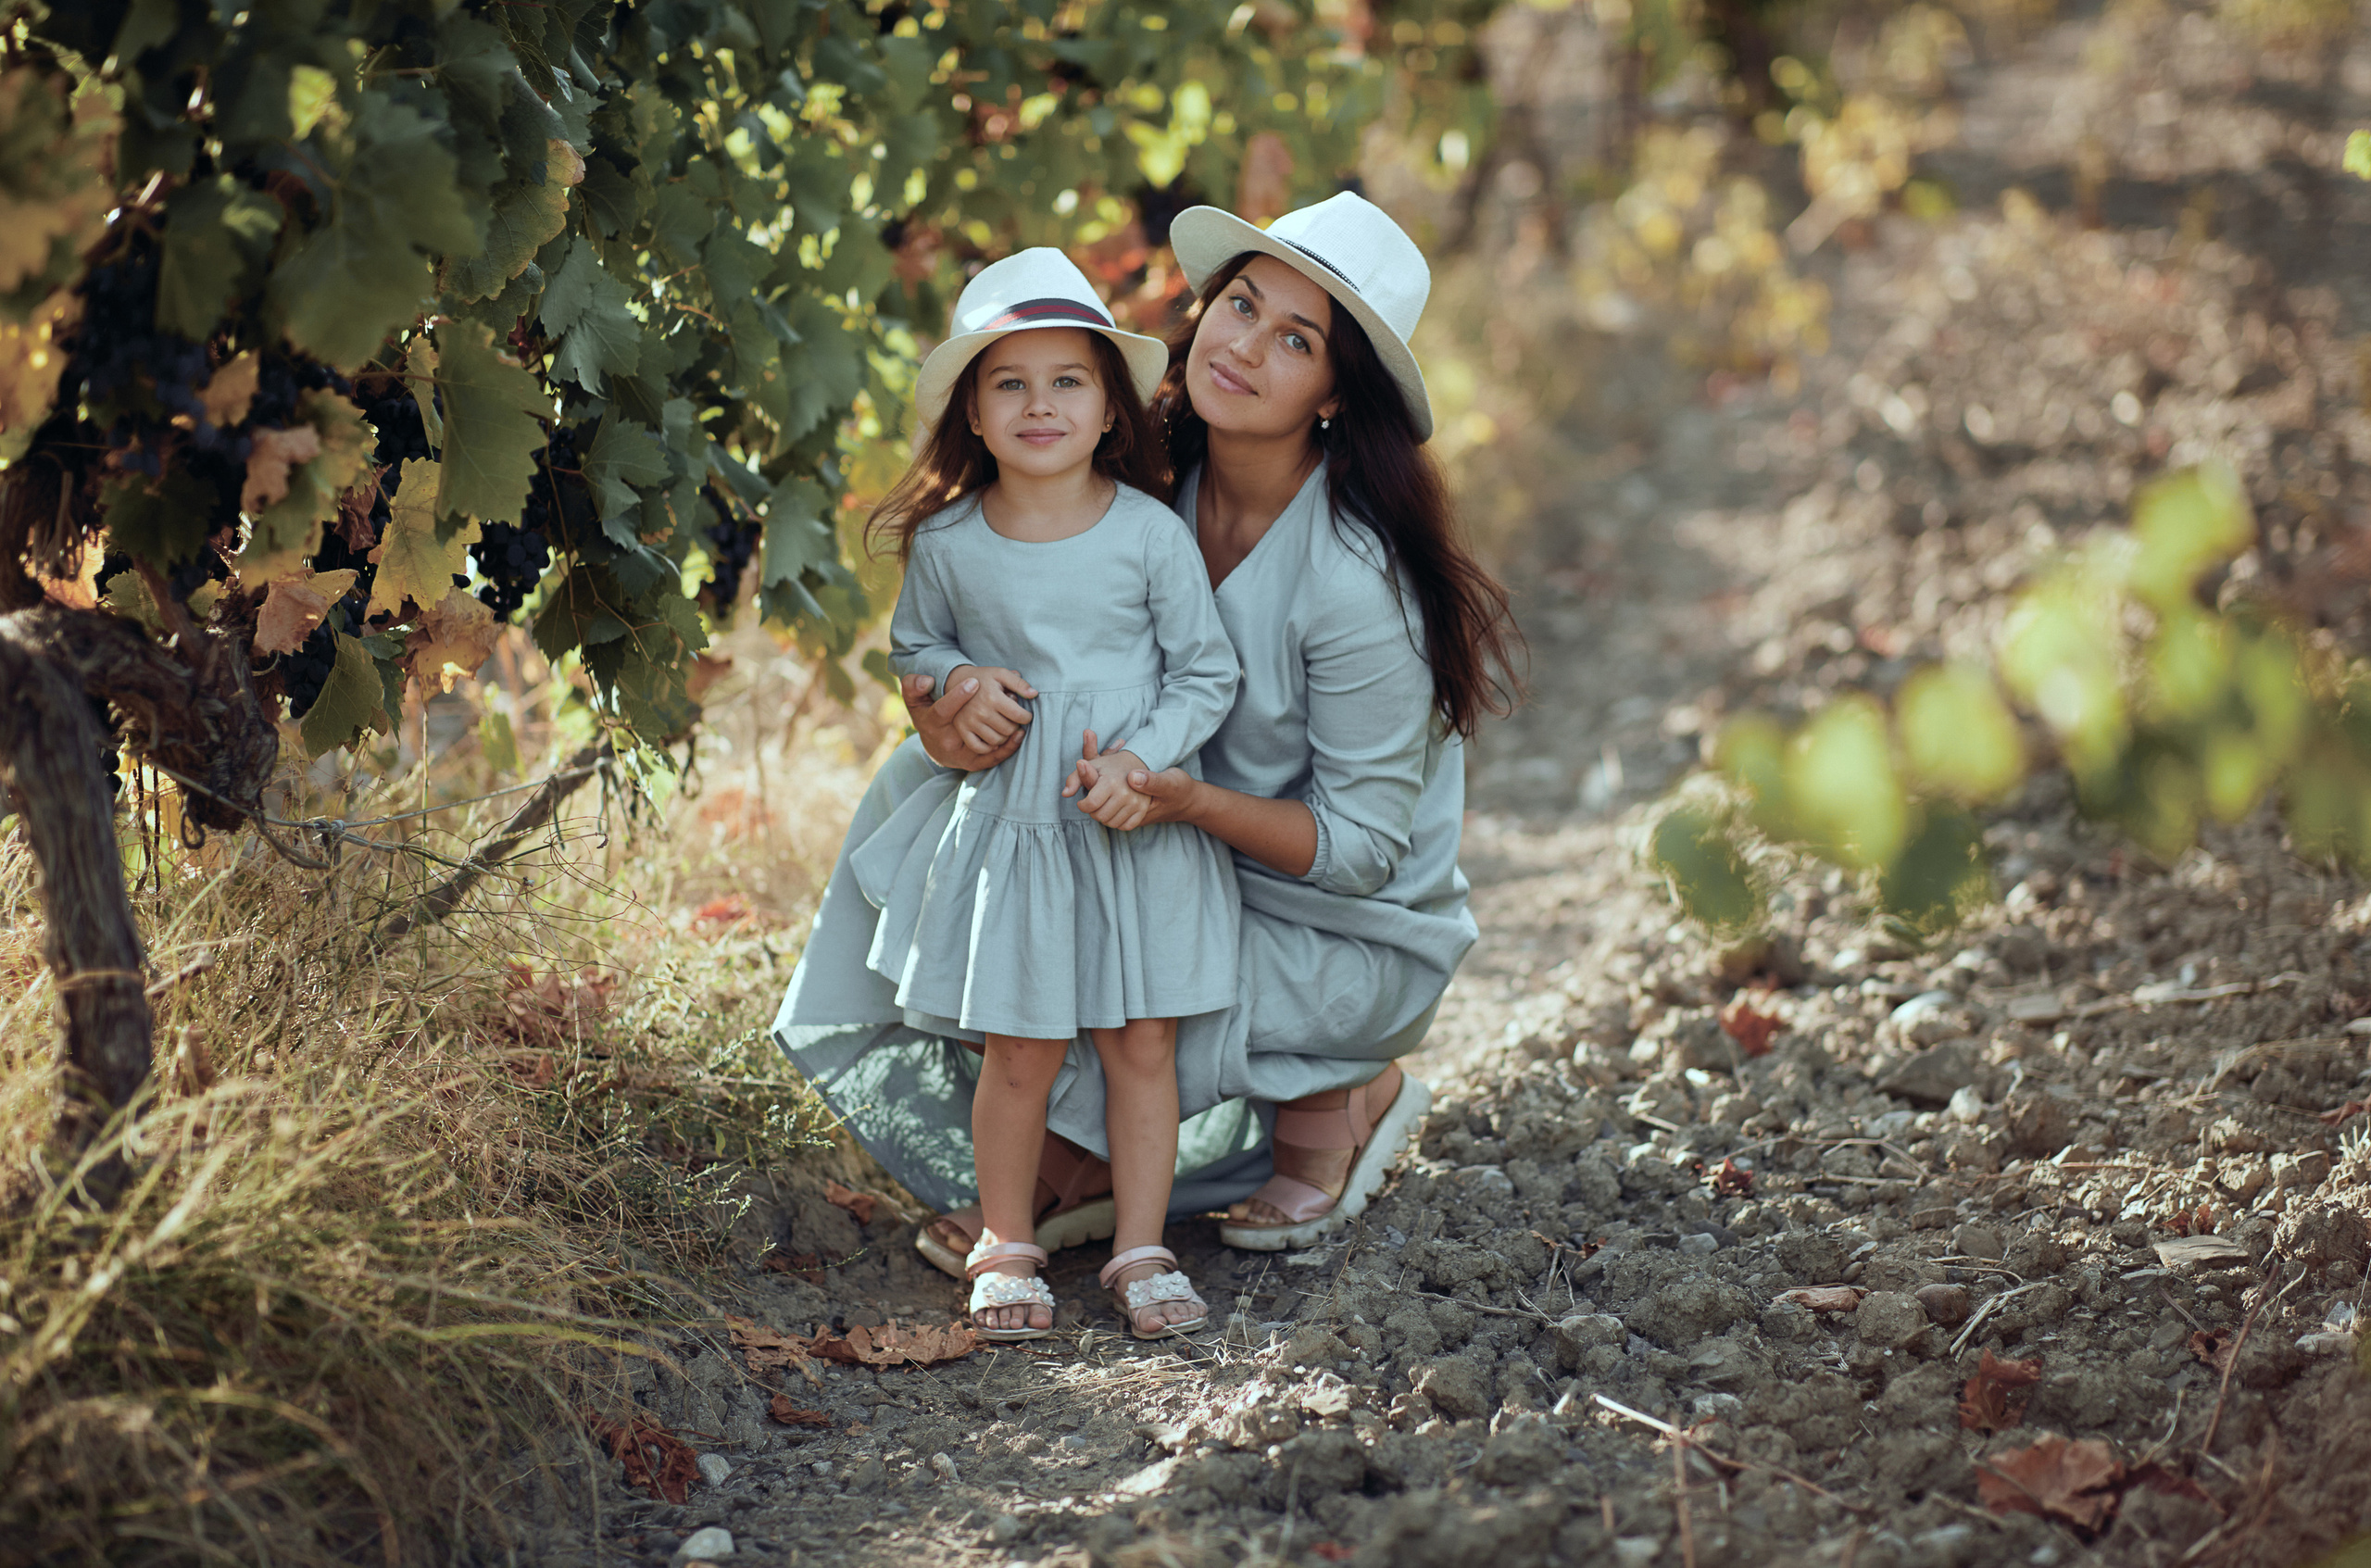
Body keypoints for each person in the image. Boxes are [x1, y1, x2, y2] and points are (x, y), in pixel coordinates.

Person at [773, 192, 1517, 1284]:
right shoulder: (1137, 478)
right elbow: (975, 629)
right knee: (964, 854)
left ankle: (1340, 1092)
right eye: (1241, 307)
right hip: (1133, 837)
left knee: (1125, 976)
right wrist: (949, 709)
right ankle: (1092, 1147)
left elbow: (1359, 853)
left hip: (1327, 914)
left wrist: (1183, 797)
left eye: (1295, 340)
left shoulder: (1356, 584)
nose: (1245, 348)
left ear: (1332, 397)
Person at [849, 248, 1240, 1340]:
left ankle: (1141, 1245)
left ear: (1110, 409)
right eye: (1009, 382)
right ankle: (1006, 1239)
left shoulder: (1148, 535)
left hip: (1133, 819)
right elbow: (916, 649)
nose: (1038, 403)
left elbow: (1205, 671)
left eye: (1067, 379)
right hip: (1019, 823)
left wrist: (1144, 762)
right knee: (1018, 1044)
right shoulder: (950, 543)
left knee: (1139, 1041)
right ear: (972, 412)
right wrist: (958, 685)